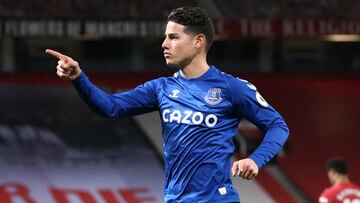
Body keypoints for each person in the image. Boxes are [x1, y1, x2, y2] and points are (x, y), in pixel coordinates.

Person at [46, 7, 289, 203]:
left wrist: (256, 159)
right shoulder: (160, 88)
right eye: (165, 37)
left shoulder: (232, 88)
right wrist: (79, 78)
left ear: (198, 41)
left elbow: (277, 126)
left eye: (173, 37)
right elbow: (110, 107)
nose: (164, 44)